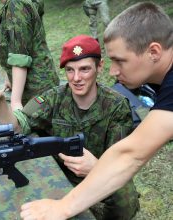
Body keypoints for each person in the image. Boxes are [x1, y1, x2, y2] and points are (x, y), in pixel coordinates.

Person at [15, 2, 173, 220]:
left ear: (154, 51)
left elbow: (130, 155)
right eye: (70, 70)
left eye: (119, 60)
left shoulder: (120, 103)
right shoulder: (158, 83)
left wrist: (62, 208)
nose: (113, 71)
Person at [0, 35, 140, 220]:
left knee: (126, 199)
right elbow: (18, 126)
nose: (76, 78)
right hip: (62, 175)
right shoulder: (54, 98)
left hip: (99, 175)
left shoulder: (116, 106)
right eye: (70, 70)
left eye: (85, 69)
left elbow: (121, 160)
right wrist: (0, 102)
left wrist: (96, 168)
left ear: (100, 66)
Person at [0, 0, 59, 111]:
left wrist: (15, 103)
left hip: (36, 90)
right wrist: (9, 77)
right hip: (36, 84)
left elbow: (20, 56)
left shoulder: (16, 4)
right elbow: (15, 45)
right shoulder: (18, 3)